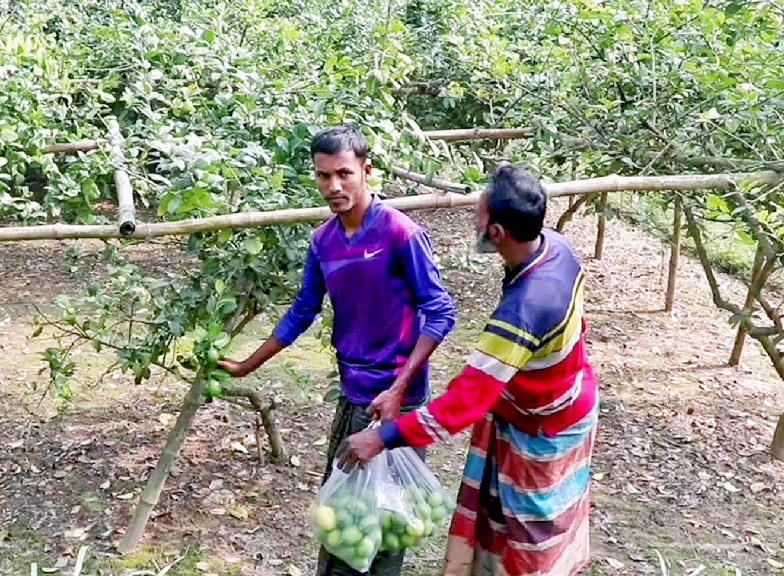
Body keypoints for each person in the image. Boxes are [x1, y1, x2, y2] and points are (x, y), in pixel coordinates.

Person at [337, 163, 600, 576]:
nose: (472, 216)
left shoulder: (523, 312)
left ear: (496, 232)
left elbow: (463, 403)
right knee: (505, 521)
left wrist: (382, 438)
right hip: (555, 398)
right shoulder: (555, 246)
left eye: (479, 210)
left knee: (531, 541)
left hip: (545, 423)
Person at [218, 124, 457, 576]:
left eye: (344, 174)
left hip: (395, 405)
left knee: (386, 525)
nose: (334, 186)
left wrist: (398, 389)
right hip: (353, 397)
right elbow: (302, 309)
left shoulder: (399, 233)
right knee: (345, 518)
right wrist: (248, 365)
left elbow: (441, 312)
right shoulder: (323, 241)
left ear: (366, 171)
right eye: (324, 176)